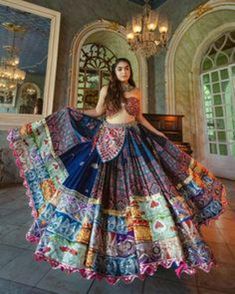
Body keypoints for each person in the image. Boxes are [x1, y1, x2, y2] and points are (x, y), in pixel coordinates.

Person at [7, 58, 227, 285]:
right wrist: (73, 112)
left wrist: (158, 133)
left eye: (127, 68)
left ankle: (156, 241)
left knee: (148, 185)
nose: (124, 71)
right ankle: (97, 244)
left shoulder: (137, 91)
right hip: (107, 140)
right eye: (120, 68)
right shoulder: (107, 89)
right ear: (115, 72)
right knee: (102, 189)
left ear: (130, 71)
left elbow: (139, 118)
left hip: (134, 140)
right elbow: (98, 112)